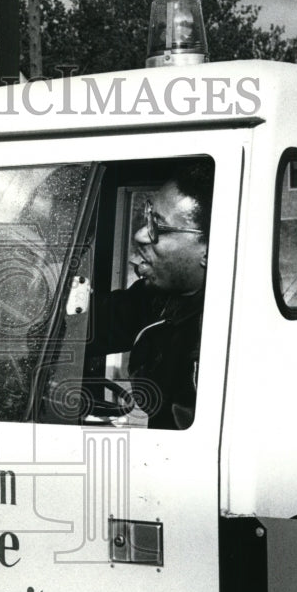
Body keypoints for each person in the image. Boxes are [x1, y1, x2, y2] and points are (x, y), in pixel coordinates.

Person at [87, 163, 212, 429]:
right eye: (148, 218)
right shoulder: (160, 297)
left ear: (209, 250)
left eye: (160, 228)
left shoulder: (217, 338)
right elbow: (92, 326)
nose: (140, 235)